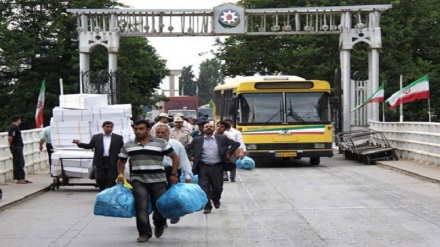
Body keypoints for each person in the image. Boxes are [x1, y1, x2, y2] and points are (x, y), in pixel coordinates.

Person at [117, 119, 179, 242]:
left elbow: (174, 157)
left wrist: (173, 173)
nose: (138, 131)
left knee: (159, 207)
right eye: (136, 129)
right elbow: (121, 161)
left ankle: (159, 223)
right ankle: (144, 233)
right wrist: (120, 175)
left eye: (141, 128)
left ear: (148, 130)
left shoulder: (160, 143)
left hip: (158, 180)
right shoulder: (128, 145)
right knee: (141, 207)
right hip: (138, 180)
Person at [185, 122, 239, 214]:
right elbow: (187, 147)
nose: (209, 128)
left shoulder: (222, 138)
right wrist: (191, 156)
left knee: (217, 187)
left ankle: (216, 199)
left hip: (217, 166)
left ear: (214, 129)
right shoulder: (197, 139)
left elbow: (236, 144)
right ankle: (207, 206)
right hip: (203, 166)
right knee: (204, 187)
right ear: (203, 129)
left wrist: (229, 153)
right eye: (206, 127)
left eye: (211, 126)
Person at [155, 123, 193, 224]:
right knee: (159, 196)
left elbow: (184, 159)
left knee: (173, 196)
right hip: (157, 172)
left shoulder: (176, 144)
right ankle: (162, 220)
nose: (160, 135)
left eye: (163, 132)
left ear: (168, 133)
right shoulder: (151, 144)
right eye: (158, 132)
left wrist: (187, 175)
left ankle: (175, 214)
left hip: (173, 172)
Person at [73, 121, 124, 191]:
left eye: (111, 127)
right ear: (103, 127)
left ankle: (108, 195)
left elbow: (122, 148)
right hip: (100, 162)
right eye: (107, 127)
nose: (109, 128)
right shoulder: (96, 137)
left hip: (112, 162)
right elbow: (89, 146)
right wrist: (79, 143)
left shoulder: (118, 138)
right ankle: (103, 191)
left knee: (111, 180)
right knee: (100, 179)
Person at [7, 115, 30, 184]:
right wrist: (11, 144)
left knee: (21, 162)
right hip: (16, 146)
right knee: (17, 162)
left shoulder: (15, 127)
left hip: (18, 146)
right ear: (18, 120)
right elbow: (10, 137)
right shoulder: (13, 128)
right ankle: (18, 178)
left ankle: (22, 177)